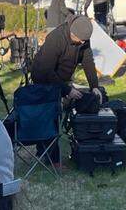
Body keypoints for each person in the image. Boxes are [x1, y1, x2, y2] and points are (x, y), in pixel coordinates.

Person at [30, 14, 102, 165]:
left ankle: (49, 152)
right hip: (43, 77)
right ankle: (51, 158)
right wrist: (66, 90)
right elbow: (46, 70)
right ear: (72, 33)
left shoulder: (83, 36)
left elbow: (88, 61)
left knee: (59, 112)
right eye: (80, 40)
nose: (83, 43)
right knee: (50, 115)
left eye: (85, 41)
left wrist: (94, 86)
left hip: (61, 77)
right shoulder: (55, 39)